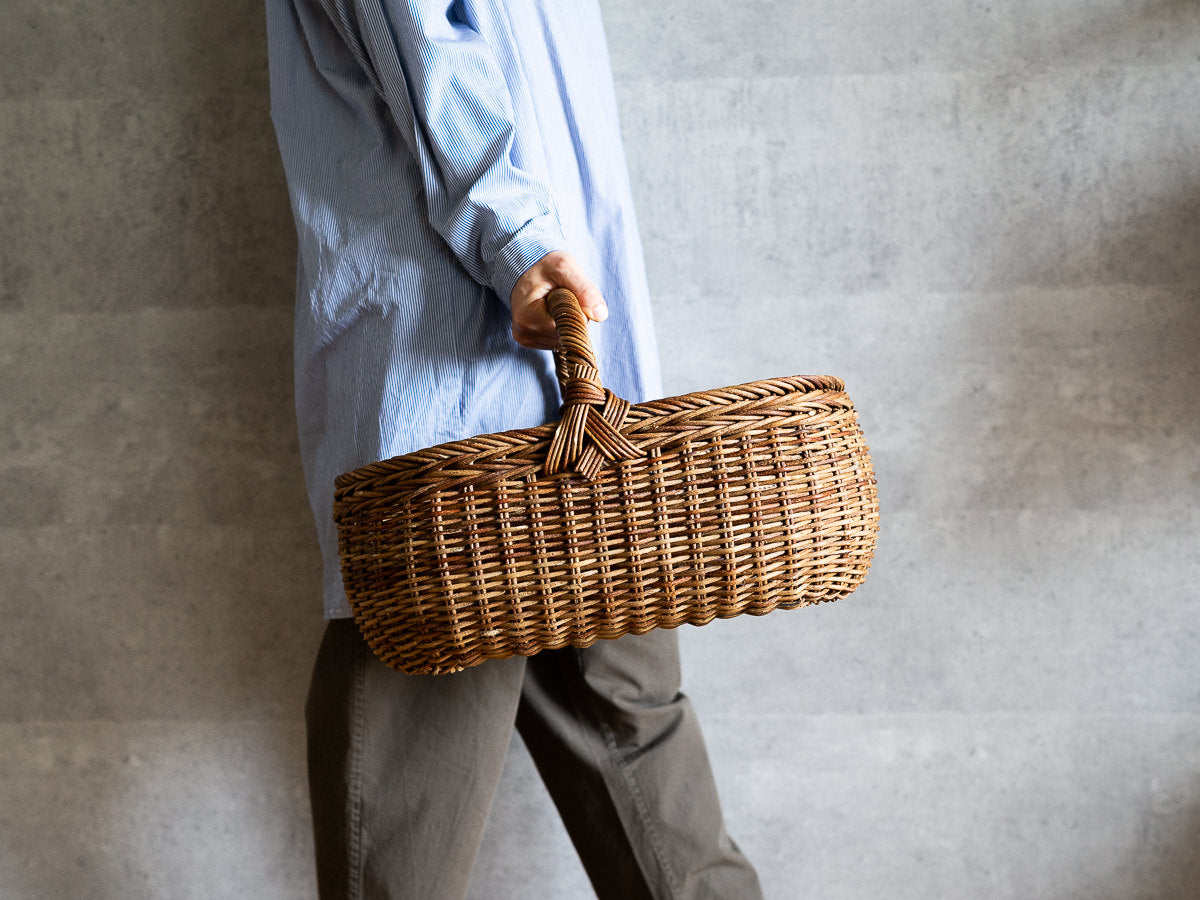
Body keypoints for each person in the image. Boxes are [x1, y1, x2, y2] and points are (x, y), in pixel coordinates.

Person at [265, 1, 763, 896]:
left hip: (566, 390)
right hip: (455, 392)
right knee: (414, 803)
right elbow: (430, 57)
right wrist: (521, 243)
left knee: (638, 741)